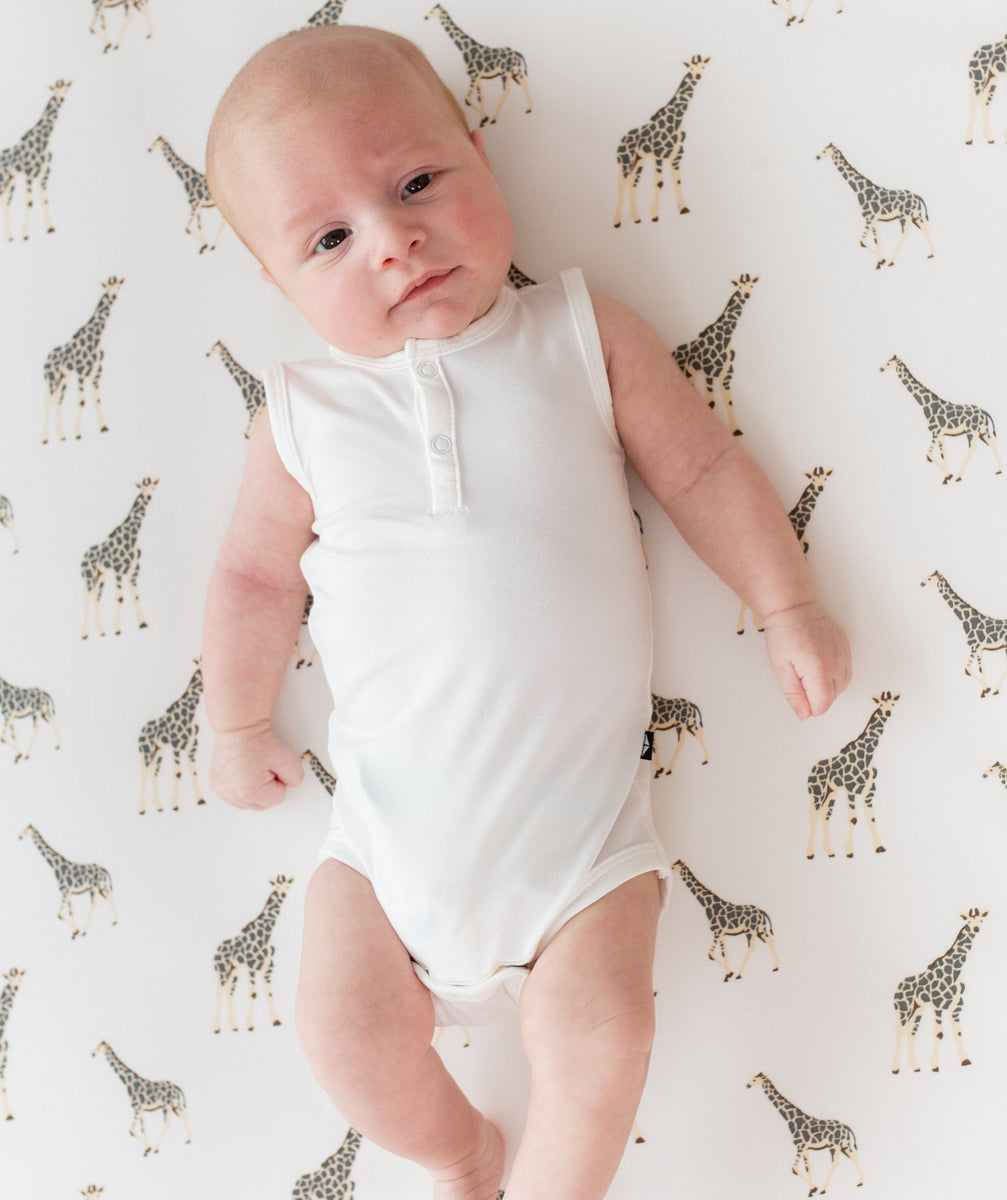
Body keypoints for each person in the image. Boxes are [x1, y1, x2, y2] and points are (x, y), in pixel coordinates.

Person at [200, 23, 851, 1200]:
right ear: (278, 283)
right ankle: (458, 1149)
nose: (394, 240)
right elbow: (253, 578)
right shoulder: (301, 417)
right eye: (331, 238)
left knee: (602, 1040)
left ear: (479, 157)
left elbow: (701, 469)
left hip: (584, 848)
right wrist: (236, 720)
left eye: (415, 185)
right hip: (385, 846)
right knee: (338, 1032)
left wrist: (784, 598)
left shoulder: (578, 333)